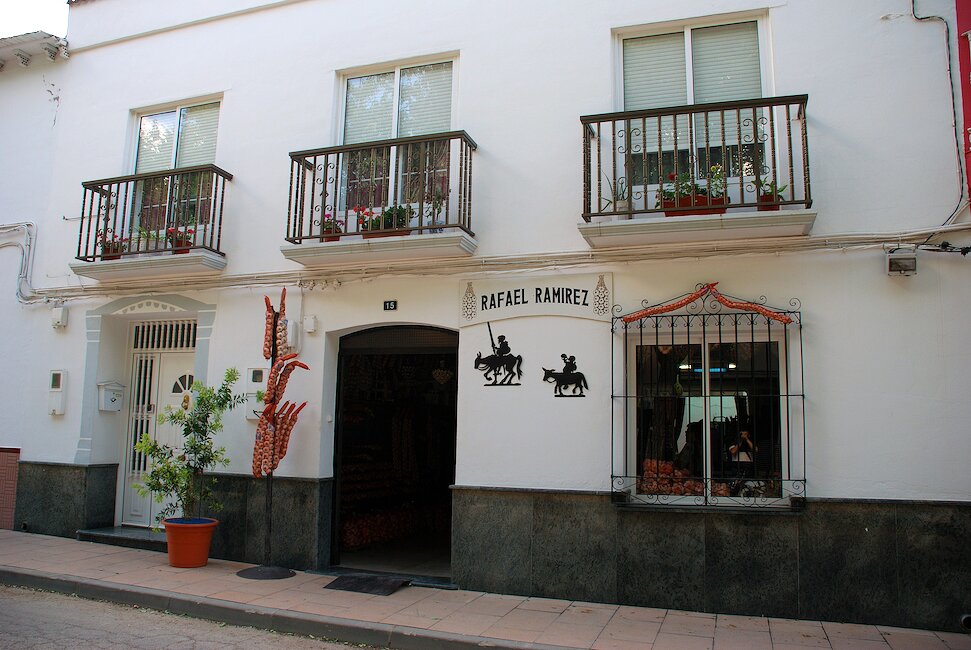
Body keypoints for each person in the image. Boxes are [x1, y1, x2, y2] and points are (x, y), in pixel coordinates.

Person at [728, 429, 756, 495]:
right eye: (742, 434)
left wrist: (747, 440)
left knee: (749, 485)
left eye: (746, 434)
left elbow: (755, 450)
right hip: (737, 467)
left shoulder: (750, 442)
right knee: (735, 485)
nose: (744, 436)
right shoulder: (734, 443)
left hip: (748, 468)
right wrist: (740, 442)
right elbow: (733, 451)